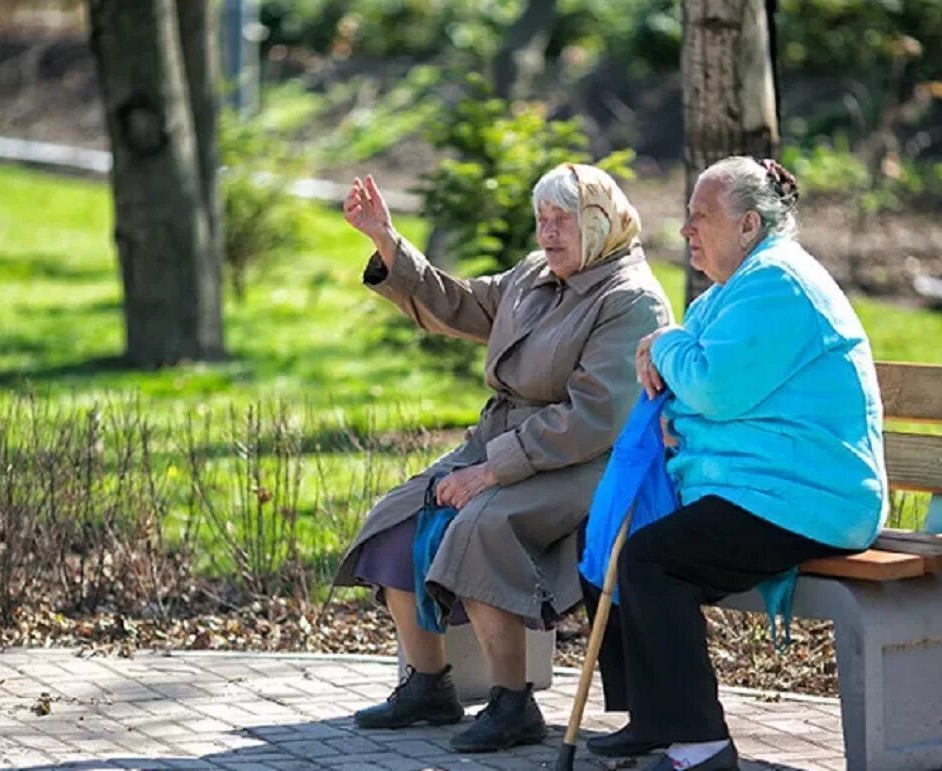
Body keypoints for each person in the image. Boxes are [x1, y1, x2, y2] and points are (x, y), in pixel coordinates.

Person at [333, 164, 673, 753]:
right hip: (509, 444)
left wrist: (491, 470)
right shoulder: (536, 275)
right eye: (541, 219)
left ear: (598, 223)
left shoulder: (630, 299)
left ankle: (513, 703)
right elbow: (462, 303)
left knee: (483, 526)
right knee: (397, 517)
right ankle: (428, 686)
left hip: (587, 462)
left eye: (560, 220)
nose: (547, 233)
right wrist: (388, 242)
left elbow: (595, 418)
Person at [584, 157, 888, 771]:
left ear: (748, 224)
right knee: (615, 539)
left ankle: (702, 745)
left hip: (810, 497)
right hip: (760, 487)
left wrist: (661, 345)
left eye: (701, 217)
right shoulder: (734, 289)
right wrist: (675, 386)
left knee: (654, 559)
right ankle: (655, 720)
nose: (686, 230)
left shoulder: (779, 284)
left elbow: (713, 385)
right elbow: (699, 391)